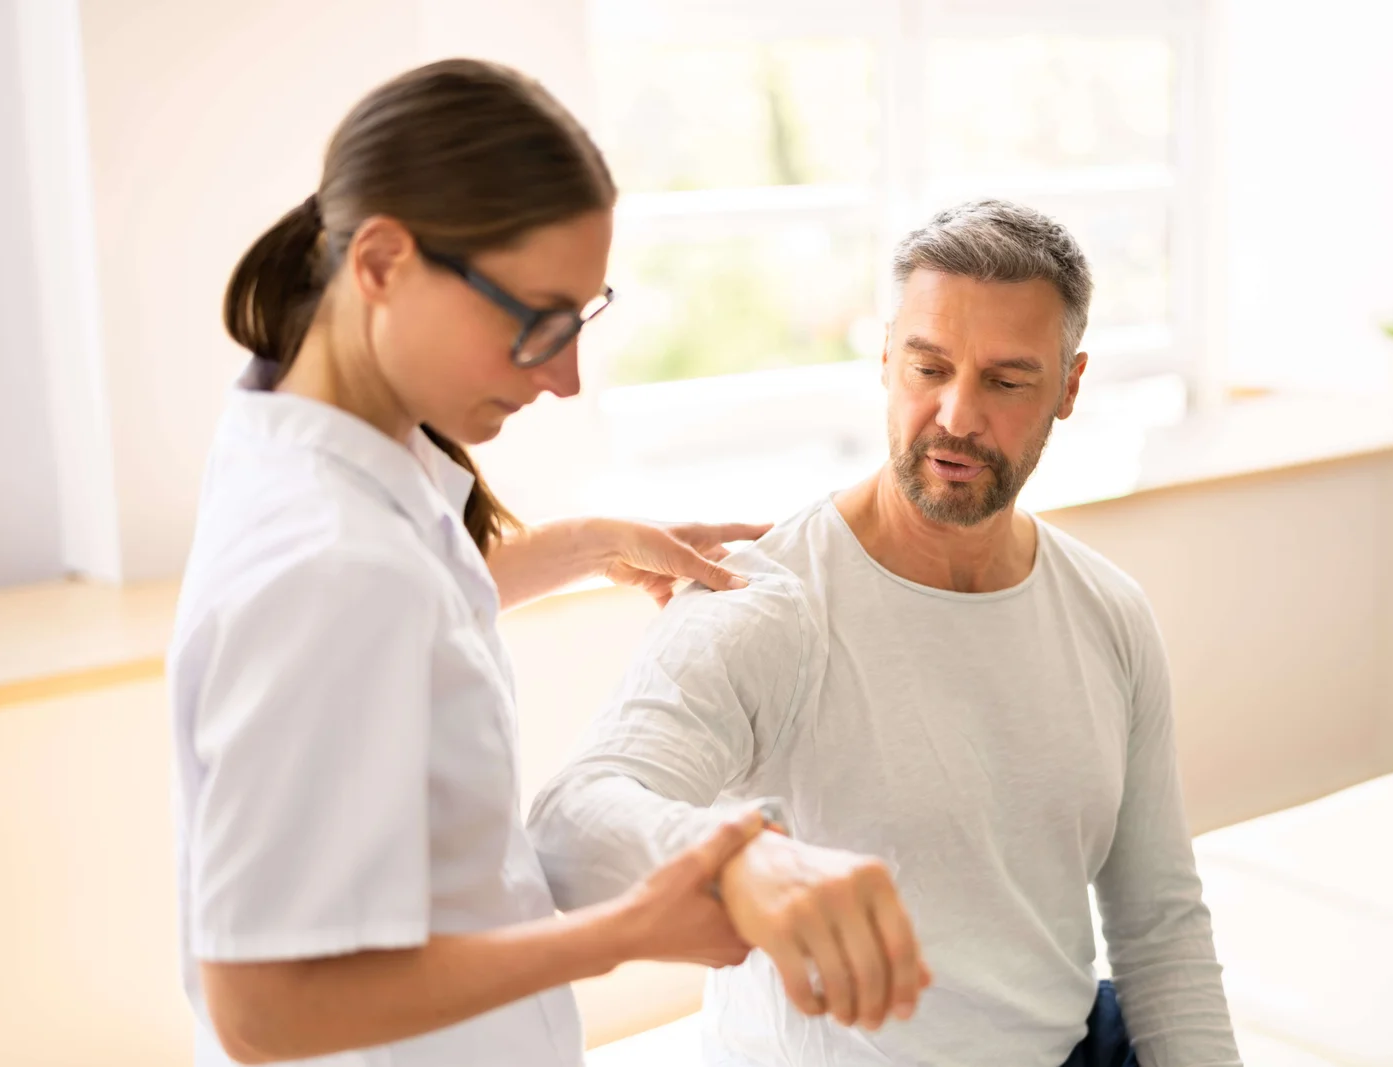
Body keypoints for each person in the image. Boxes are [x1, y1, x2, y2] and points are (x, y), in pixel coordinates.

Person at [166, 59, 929, 1067]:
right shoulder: (331, 565)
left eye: (581, 318)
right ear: (384, 262)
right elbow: (261, 1009)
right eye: (537, 322)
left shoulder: (307, 428)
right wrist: (625, 931)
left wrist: (591, 542)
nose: (565, 377)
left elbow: (399, 617)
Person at [529, 200, 1244, 1067]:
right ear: (884, 358)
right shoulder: (767, 601)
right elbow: (569, 826)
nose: (956, 415)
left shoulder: (1108, 611)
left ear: (1069, 385)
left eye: (1006, 381)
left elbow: (1159, 922)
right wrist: (739, 867)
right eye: (928, 367)